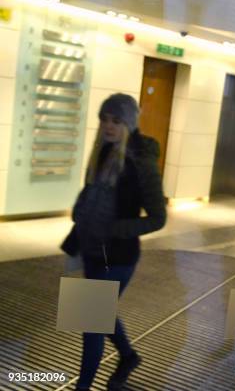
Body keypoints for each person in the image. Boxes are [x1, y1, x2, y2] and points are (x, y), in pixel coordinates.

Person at [62, 93, 166, 391]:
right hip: (93, 251)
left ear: (129, 123)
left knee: (91, 323)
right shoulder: (102, 152)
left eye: (117, 121)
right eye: (105, 119)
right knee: (99, 314)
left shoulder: (141, 162)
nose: (109, 126)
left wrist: (115, 228)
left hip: (118, 257)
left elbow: (158, 218)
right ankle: (129, 356)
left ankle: (82, 386)